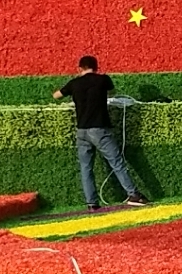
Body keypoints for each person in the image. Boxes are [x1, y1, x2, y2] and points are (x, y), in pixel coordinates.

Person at [53, 56, 148, 210]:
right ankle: (133, 194)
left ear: (79, 68)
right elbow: (113, 92)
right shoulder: (103, 80)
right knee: (117, 162)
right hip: (100, 129)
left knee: (86, 168)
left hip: (82, 131)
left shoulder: (74, 83)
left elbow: (56, 95)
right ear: (96, 67)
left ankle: (92, 203)